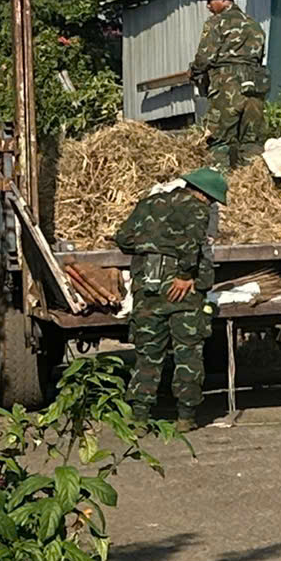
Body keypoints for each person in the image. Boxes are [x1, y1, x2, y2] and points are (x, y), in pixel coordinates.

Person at [114, 167, 225, 422]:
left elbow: (123, 239)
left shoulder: (148, 203)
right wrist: (184, 275)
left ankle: (140, 416)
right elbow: (192, 244)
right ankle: (186, 417)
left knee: (148, 354)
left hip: (147, 287)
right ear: (204, 194)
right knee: (188, 352)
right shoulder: (198, 208)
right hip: (182, 290)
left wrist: (152, 245)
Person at [189, 0, 268, 171]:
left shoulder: (216, 23)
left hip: (227, 85)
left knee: (218, 140)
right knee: (251, 141)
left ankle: (219, 182)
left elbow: (205, 57)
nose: (208, 6)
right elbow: (259, 56)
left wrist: (194, 71)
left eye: (210, 0)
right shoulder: (254, 24)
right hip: (255, 85)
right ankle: (252, 181)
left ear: (225, 0)